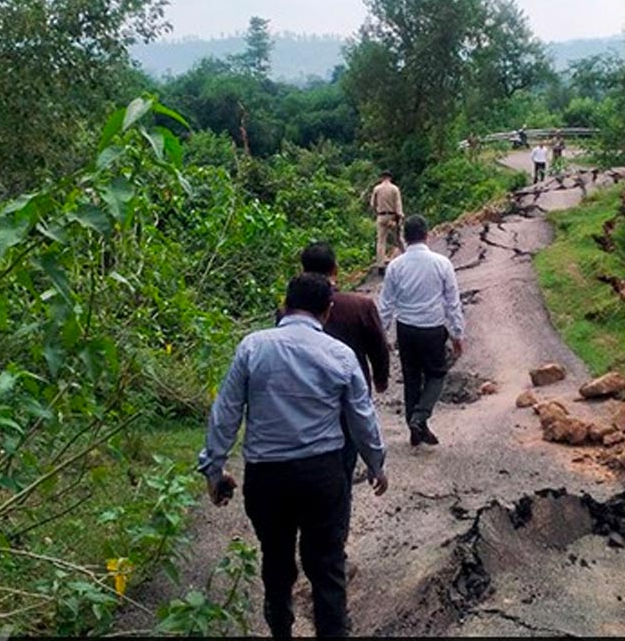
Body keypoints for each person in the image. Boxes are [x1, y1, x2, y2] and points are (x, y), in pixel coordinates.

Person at [199, 273, 388, 639]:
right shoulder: (340, 355)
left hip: (267, 477)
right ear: (327, 312)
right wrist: (376, 463)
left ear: (284, 306)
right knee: (328, 566)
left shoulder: (252, 347)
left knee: (276, 559)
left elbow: (226, 412)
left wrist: (214, 469)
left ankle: (281, 630)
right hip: (322, 474)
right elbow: (362, 417)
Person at [295, 242, 390, 483]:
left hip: (304, 396)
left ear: (302, 270)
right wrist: (380, 379)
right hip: (347, 396)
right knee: (343, 461)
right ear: (335, 269)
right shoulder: (360, 305)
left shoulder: (290, 312)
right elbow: (378, 348)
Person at [377, 215, 465, 447]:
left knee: (412, 378)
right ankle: (420, 416)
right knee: (437, 374)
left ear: (405, 238)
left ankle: (415, 429)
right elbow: (452, 302)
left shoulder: (396, 265)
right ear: (427, 235)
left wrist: (381, 333)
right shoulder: (441, 263)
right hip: (432, 328)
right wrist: (457, 333)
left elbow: (386, 304)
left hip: (405, 329)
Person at [369, 170, 404, 267]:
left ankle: (380, 264)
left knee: (381, 241)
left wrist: (377, 212)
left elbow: (372, 204)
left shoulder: (377, 189)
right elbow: (398, 204)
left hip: (381, 216)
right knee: (398, 239)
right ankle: (406, 255)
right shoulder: (394, 189)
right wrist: (399, 216)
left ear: (382, 178)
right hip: (392, 217)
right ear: (390, 178)